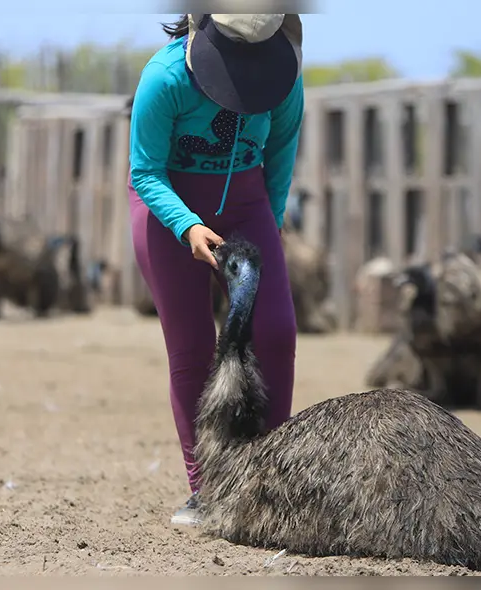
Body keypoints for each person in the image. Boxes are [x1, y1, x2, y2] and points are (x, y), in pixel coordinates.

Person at [127, 13, 305, 526]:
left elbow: (280, 155)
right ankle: (205, 491)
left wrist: (268, 228)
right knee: (194, 349)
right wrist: (187, 226)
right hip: (168, 209)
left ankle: (269, 485)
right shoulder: (164, 77)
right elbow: (145, 170)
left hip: (247, 205)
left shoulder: (284, 77)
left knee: (275, 332)